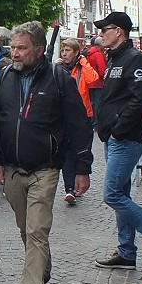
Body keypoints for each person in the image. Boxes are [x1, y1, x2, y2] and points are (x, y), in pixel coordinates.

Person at [0, 22, 93, 284]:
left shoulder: (59, 79)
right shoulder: (5, 77)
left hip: (45, 169)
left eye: (21, 48)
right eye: (13, 48)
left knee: (36, 230)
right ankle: (41, 266)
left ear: (38, 49)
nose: (15, 53)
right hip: (11, 168)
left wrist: (82, 167)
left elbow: (79, 125)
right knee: (26, 229)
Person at [91, 13, 142, 271]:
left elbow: (140, 101)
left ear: (120, 31)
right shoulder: (114, 57)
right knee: (122, 193)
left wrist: (117, 130)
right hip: (113, 138)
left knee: (112, 194)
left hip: (125, 139)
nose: (101, 33)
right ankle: (126, 252)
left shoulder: (135, 59)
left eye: (106, 29)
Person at [56, 37, 98, 204]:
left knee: (80, 151)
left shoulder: (82, 67)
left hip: (83, 115)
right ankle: (69, 189)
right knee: (67, 153)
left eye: (68, 51)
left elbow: (93, 80)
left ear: (76, 53)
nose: (64, 54)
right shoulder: (58, 69)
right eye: (63, 50)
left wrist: (84, 62)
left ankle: (79, 181)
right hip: (64, 115)